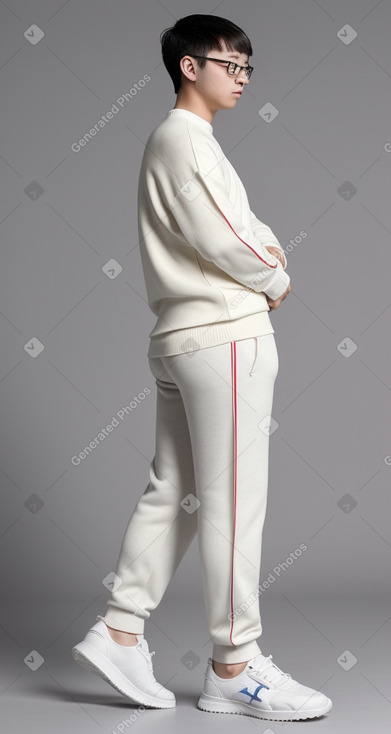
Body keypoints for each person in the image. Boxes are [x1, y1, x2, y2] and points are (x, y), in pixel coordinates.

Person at [72, 14, 332, 721]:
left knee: (177, 491)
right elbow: (230, 237)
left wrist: (263, 252)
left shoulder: (185, 144)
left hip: (182, 337)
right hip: (222, 336)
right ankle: (235, 665)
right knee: (233, 503)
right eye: (229, 64)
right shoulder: (184, 140)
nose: (241, 77)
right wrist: (275, 282)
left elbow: (245, 228)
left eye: (248, 67)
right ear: (190, 67)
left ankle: (121, 630)